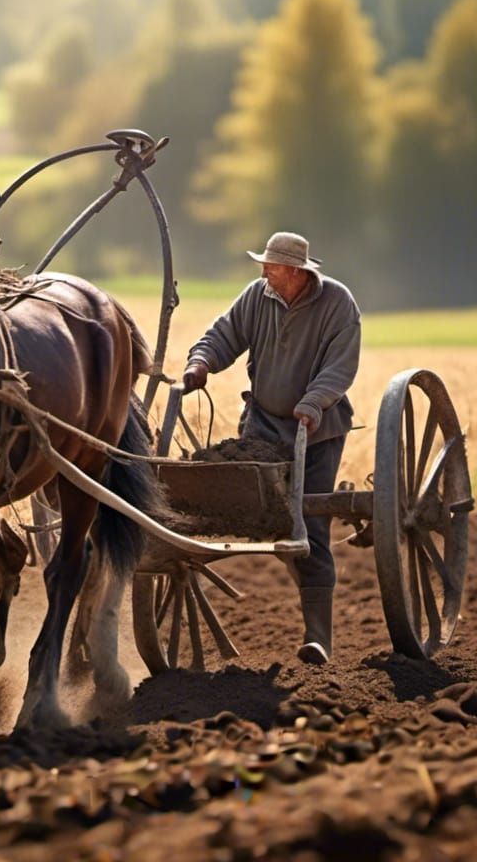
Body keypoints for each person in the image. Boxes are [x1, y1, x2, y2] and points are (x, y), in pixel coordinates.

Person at [181, 231, 361, 666]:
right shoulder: (257, 296)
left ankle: (318, 636)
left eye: (273, 267)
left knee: (308, 528)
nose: (264, 273)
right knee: (242, 509)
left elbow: (340, 367)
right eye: (264, 266)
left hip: (316, 432)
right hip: (262, 425)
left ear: (298, 273)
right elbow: (224, 333)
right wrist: (200, 361)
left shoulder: (338, 305)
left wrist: (313, 402)